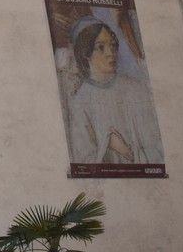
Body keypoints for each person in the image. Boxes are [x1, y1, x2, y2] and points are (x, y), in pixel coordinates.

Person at [65, 13, 163, 166]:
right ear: (85, 53)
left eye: (112, 45)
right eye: (101, 47)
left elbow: (158, 150)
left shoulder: (136, 89)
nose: (110, 53)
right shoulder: (80, 102)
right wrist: (107, 145)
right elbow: (84, 162)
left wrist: (126, 152)